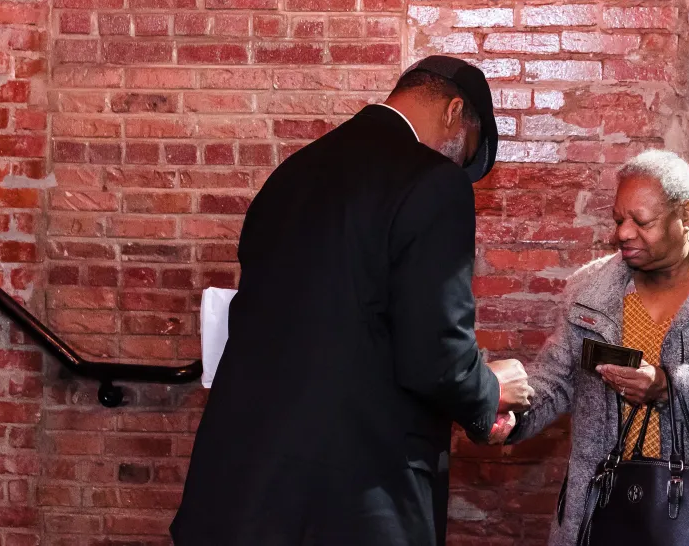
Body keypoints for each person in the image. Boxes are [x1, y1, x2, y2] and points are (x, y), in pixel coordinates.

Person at [171, 56, 533, 546]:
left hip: (240, 491)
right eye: (465, 152)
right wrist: (488, 393)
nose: (457, 165)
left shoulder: (291, 174)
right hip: (354, 501)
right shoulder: (433, 181)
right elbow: (434, 353)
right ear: (453, 112)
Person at [508, 150, 689, 546]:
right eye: (618, 220)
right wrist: (511, 418)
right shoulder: (590, 291)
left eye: (640, 221)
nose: (623, 234)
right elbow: (556, 381)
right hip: (607, 514)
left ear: (686, 216)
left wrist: (671, 388)